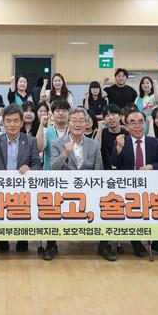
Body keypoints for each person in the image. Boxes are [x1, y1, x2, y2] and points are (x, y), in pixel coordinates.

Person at [110, 110, 158, 258]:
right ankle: (136, 241)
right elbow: (114, 163)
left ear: (145, 124)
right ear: (126, 126)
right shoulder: (121, 141)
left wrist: (152, 167)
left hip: (152, 187)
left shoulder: (156, 143)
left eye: (140, 122)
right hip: (128, 188)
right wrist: (119, 148)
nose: (137, 126)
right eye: (132, 122)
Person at [0, 104, 42, 254]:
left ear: (22, 123)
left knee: (22, 211)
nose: (12, 124)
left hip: (23, 187)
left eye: (15, 121)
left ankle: (22, 238)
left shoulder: (31, 141)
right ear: (3, 122)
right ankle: (3, 239)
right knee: (3, 212)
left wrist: (30, 170)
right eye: (8, 121)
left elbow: (37, 163)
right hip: (1, 187)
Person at [50, 108, 110, 261]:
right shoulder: (57, 143)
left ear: (86, 123)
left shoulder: (94, 144)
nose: (78, 124)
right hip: (64, 190)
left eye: (81, 121)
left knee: (105, 203)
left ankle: (104, 245)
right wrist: (65, 154)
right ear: (68, 123)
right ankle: (51, 244)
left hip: (90, 189)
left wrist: (93, 189)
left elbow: (99, 170)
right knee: (51, 204)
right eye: (74, 121)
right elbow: (53, 169)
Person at [37, 98, 71, 170]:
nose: (61, 113)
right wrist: (41, 124)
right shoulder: (46, 131)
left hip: (70, 173)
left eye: (64, 111)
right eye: (57, 111)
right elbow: (39, 148)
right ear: (52, 114)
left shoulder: (74, 131)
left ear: (69, 114)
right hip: (50, 173)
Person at [99, 105, 128, 170]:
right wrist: (99, 129)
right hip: (105, 171)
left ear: (120, 116)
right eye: (107, 116)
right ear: (104, 119)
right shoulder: (102, 133)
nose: (111, 118)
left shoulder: (127, 134)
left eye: (114, 114)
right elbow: (96, 149)